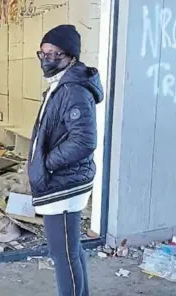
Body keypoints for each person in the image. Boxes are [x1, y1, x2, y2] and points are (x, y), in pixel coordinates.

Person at [28, 24, 104, 296]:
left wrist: (46, 163)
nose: (47, 59)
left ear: (71, 56)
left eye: (54, 54)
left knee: (63, 256)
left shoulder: (73, 89)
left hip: (63, 185)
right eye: (43, 53)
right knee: (71, 251)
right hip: (66, 181)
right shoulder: (61, 85)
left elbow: (84, 141)